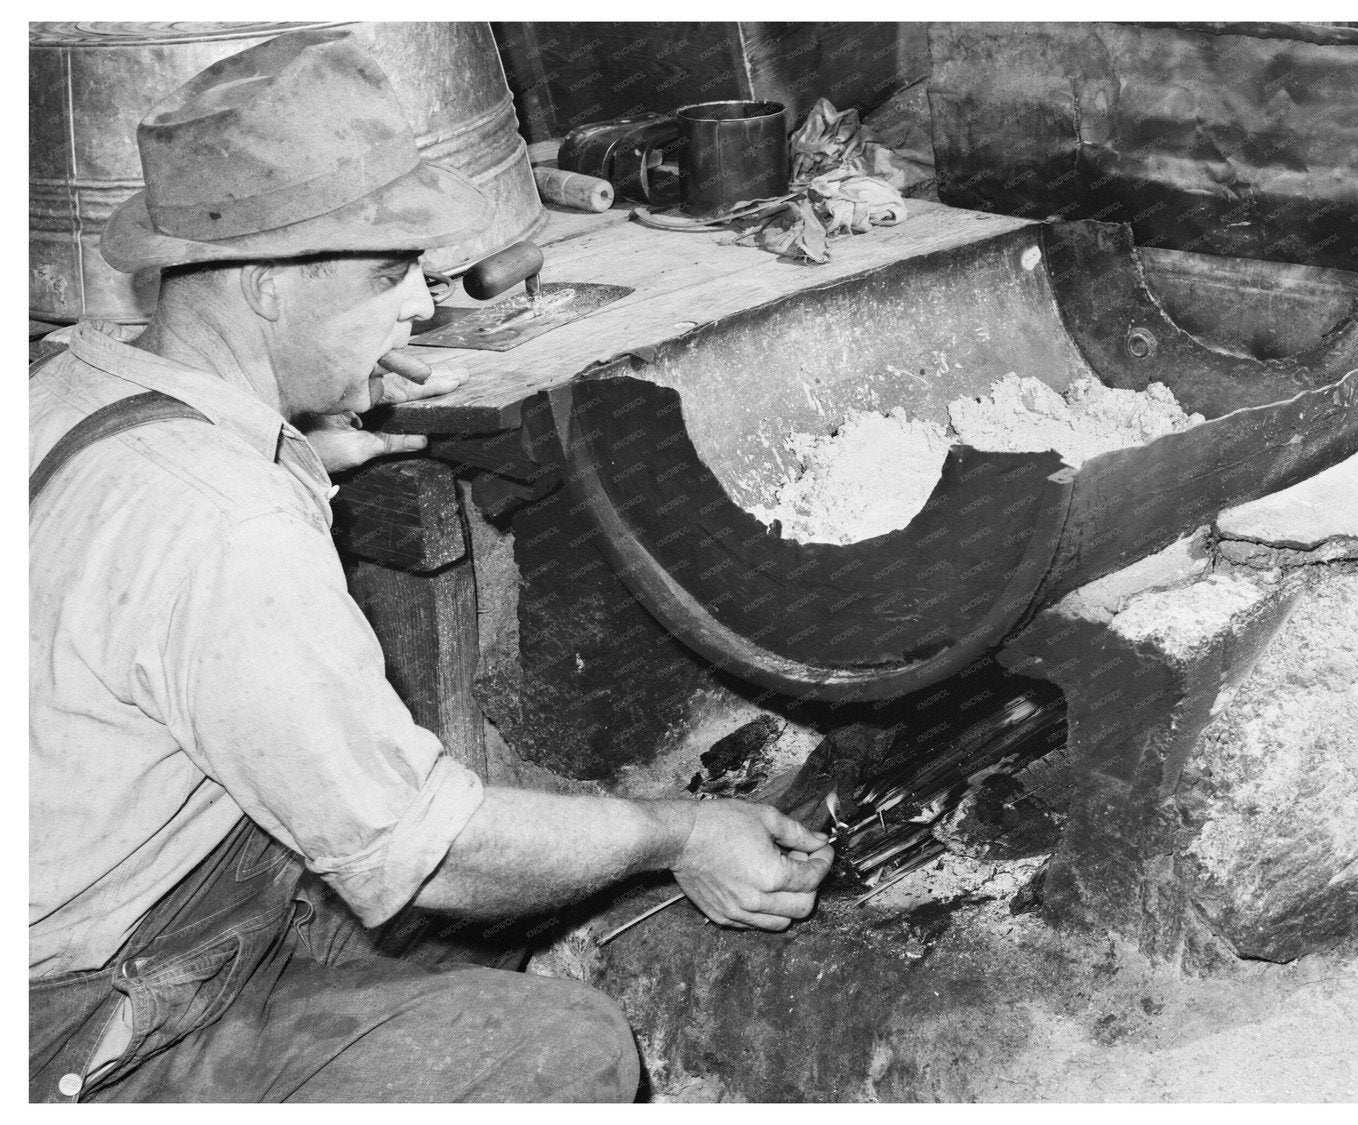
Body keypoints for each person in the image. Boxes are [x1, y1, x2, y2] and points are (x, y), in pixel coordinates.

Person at [29, 28, 833, 1103]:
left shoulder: (71, 384)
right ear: (267, 284)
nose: (422, 305)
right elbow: (435, 850)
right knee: (564, 1047)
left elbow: (156, 572)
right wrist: (681, 831)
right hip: (78, 1019)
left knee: (506, 903)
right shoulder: (225, 526)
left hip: (85, 896)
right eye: (389, 273)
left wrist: (297, 439)